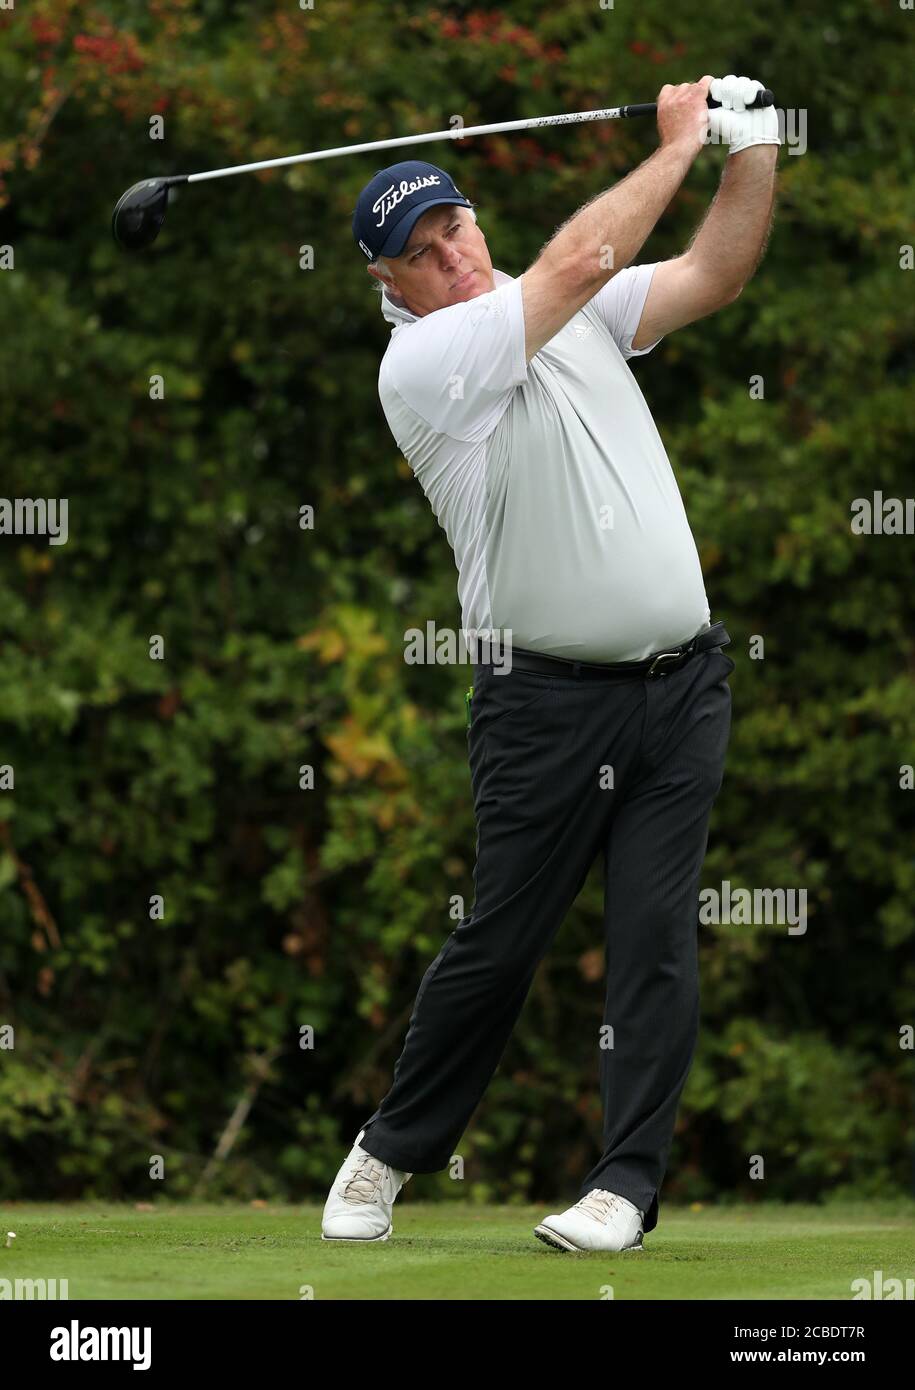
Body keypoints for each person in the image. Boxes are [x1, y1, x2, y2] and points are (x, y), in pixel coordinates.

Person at [322, 75, 779, 1251]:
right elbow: (577, 265)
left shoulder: (557, 301)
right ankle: (388, 1152)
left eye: (456, 226)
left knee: (655, 937)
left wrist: (753, 144)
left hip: (683, 688)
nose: (453, 255)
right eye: (421, 254)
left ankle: (624, 1188)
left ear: (478, 217)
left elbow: (712, 275)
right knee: (504, 940)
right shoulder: (425, 369)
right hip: (545, 707)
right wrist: (679, 143)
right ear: (390, 286)